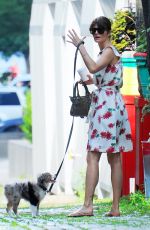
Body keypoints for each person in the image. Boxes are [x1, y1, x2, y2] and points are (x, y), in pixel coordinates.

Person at [67, 16, 133, 217]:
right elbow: (96, 77)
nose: (96, 33)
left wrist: (80, 46)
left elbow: (95, 68)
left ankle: (88, 206)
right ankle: (115, 208)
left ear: (108, 31)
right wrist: (85, 79)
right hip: (112, 103)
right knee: (114, 157)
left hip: (106, 106)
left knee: (93, 154)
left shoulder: (108, 51)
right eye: (93, 29)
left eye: (100, 29)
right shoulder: (106, 53)